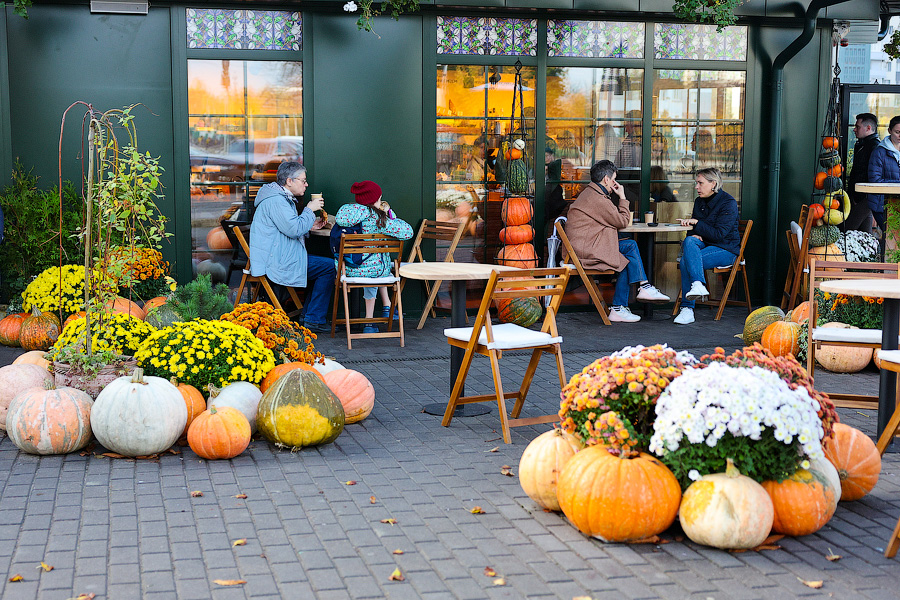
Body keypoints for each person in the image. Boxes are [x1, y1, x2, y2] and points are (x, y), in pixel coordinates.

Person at [566, 160, 670, 323]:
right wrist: (622, 196)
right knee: (630, 248)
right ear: (606, 179)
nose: (615, 183)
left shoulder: (590, 193)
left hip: (584, 246)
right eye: (614, 179)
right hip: (586, 251)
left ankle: (630, 298)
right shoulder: (598, 199)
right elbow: (622, 221)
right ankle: (636, 293)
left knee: (629, 250)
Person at [249, 162, 336, 333]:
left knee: (323, 266)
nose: (306, 184)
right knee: (327, 268)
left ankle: (311, 317)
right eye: (303, 181)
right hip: (275, 261)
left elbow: (287, 227)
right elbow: (294, 229)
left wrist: (310, 225)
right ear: (289, 181)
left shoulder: (279, 198)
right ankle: (312, 319)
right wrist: (310, 210)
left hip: (279, 255)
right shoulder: (277, 201)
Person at [335, 181, 413, 334]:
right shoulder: (378, 219)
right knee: (376, 265)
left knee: (372, 264)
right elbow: (407, 232)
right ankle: (370, 321)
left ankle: (378, 314)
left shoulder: (346, 213)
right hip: (374, 271)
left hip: (348, 270)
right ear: (375, 199)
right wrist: (391, 215)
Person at [673, 167, 740, 325]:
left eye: (700, 183)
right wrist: (695, 231)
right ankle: (697, 285)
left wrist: (697, 223)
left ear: (713, 184)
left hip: (726, 249)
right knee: (689, 241)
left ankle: (687, 309)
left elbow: (719, 234)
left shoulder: (728, 203)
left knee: (685, 261)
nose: (696, 187)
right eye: (696, 183)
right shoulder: (699, 201)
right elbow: (696, 231)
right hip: (706, 244)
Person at [845, 112, 879, 234]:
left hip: (865, 196)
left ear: (868, 128)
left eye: (858, 127)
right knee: (864, 233)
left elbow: (874, 174)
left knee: (847, 231)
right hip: (861, 195)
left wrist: (861, 196)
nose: (854, 129)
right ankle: (869, 253)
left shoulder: (874, 147)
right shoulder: (862, 144)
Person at [867, 115, 900, 236]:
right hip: (882, 205)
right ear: (889, 131)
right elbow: (875, 180)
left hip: (897, 204)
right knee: (892, 238)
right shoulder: (879, 152)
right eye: (897, 132)